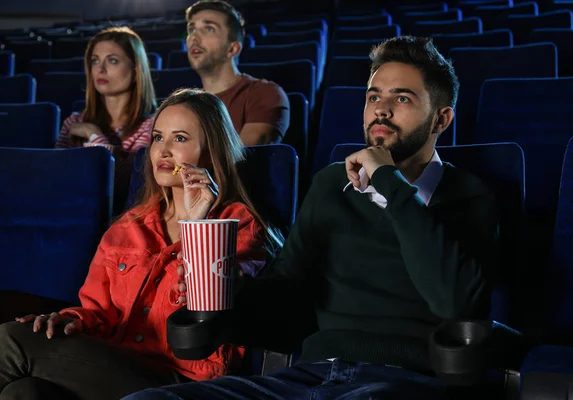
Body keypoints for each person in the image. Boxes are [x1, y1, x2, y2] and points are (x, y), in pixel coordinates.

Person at [124, 36, 500, 400]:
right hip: (311, 375)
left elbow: (456, 303)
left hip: (403, 381)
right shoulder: (331, 186)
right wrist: (231, 290)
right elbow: (289, 289)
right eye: (373, 97)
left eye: (402, 98)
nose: (381, 109)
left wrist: (389, 181)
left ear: (441, 119)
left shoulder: (469, 194)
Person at [0, 89, 282, 400]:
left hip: (186, 384)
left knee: (11, 340)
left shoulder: (240, 226)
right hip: (115, 366)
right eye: (159, 137)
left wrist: (198, 222)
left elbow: (206, 320)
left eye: (180, 139)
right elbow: (99, 311)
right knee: (23, 392)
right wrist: (70, 320)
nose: (163, 150)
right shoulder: (128, 226)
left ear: (212, 151)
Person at [55, 26, 157, 214]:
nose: (100, 69)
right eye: (95, 61)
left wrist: (93, 135)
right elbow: (55, 176)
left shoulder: (152, 126)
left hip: (122, 219)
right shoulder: (73, 121)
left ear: (135, 70)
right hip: (70, 213)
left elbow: (122, 183)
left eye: (112, 60)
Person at [185, 0, 290, 145]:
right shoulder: (186, 105)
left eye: (209, 29)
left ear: (232, 49)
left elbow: (242, 160)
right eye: (192, 30)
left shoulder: (265, 93)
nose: (194, 38)